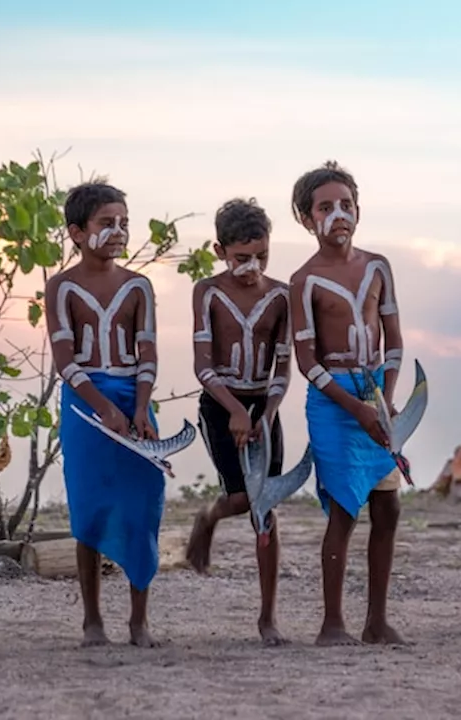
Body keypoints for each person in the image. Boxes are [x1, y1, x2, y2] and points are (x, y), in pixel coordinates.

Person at [287, 160, 408, 647]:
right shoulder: (305, 280)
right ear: (306, 218)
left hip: (375, 393)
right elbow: (307, 361)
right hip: (333, 401)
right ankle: (332, 623)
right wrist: (353, 406)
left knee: (389, 507)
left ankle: (376, 621)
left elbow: (394, 341)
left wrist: (386, 397)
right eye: (325, 207)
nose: (338, 215)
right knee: (344, 510)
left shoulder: (378, 266)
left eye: (346, 205)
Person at [45, 182, 164, 649]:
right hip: (85, 403)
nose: (118, 232)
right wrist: (103, 409)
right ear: (76, 232)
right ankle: (92, 620)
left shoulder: (139, 286)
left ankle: (139, 621)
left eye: (124, 224)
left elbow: (148, 351)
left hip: (133, 398)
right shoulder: (61, 287)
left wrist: (138, 407)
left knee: (142, 506)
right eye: (106, 223)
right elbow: (65, 361)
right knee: (90, 510)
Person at [185, 197, 292, 646]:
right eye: (241, 257)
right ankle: (209, 517)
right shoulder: (207, 293)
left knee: (265, 506)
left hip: (263, 404)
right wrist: (232, 411)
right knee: (239, 498)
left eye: (261, 256)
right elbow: (203, 367)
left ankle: (267, 619)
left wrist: (265, 413)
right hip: (220, 402)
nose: (252, 266)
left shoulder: (282, 297)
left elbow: (283, 367)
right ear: (220, 251)